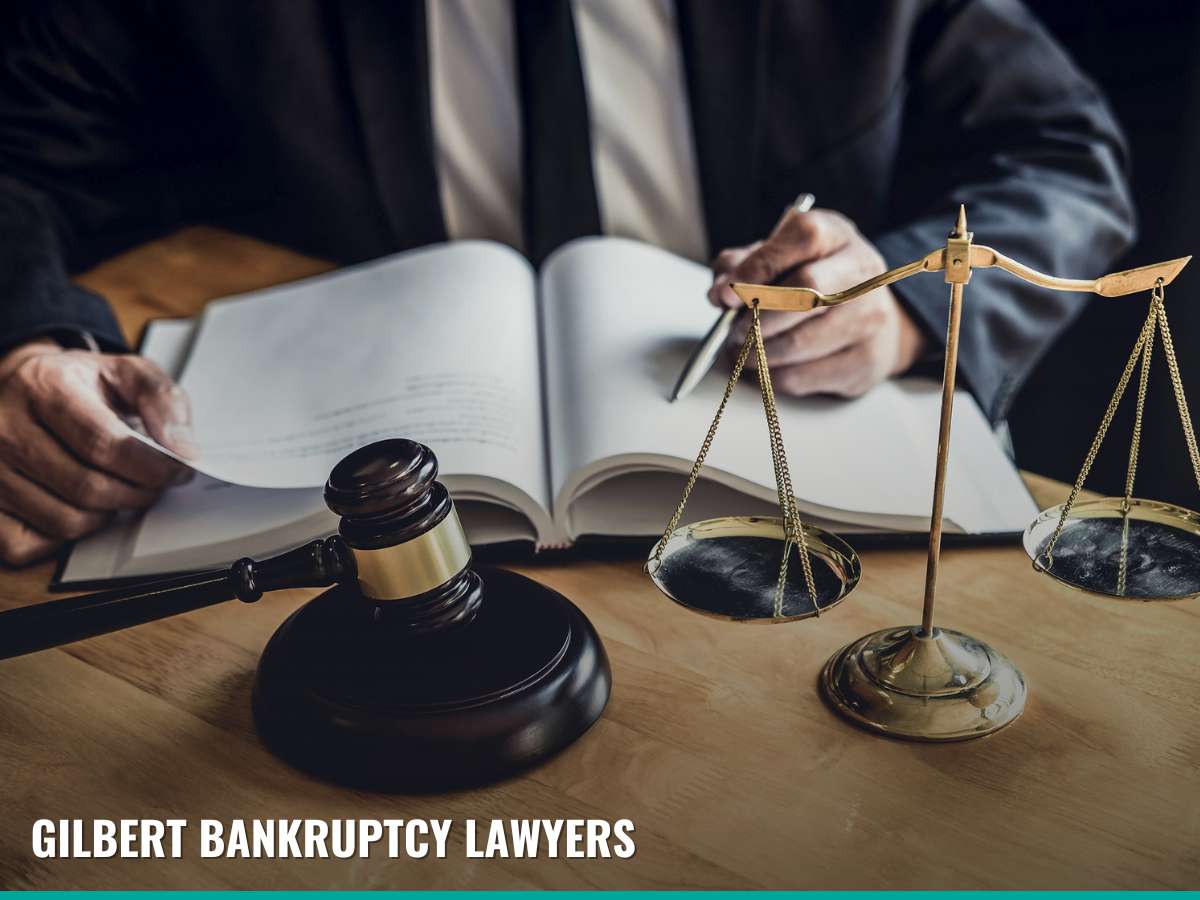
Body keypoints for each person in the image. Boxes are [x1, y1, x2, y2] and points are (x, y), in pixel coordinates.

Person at [0, 0, 1134, 564]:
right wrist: (26, 341)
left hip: (804, 532)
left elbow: (1063, 160)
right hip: (352, 547)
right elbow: (21, 160)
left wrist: (904, 303)